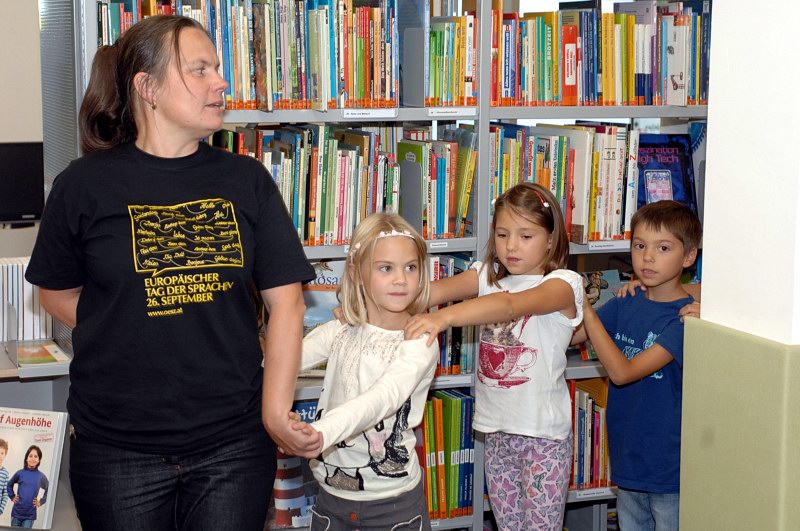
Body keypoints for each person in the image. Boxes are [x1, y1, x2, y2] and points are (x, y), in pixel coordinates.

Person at [24, 15, 318, 531]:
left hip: (233, 444)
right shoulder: (83, 185)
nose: (221, 82)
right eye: (200, 70)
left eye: (218, 69)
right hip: (117, 448)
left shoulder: (246, 180)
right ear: (148, 88)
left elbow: (287, 303)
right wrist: (127, 323)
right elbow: (56, 292)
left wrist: (275, 414)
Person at [404, 183, 584, 530]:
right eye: (502, 234)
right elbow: (427, 293)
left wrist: (444, 317)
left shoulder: (564, 284)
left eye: (525, 236)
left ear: (551, 240)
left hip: (543, 439)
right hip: (496, 433)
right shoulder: (486, 276)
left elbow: (510, 305)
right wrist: (364, 303)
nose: (511, 245)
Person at [292, 213, 439, 530]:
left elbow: (383, 398)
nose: (401, 279)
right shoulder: (340, 329)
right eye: (386, 268)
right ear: (357, 272)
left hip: (394, 505)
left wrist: (321, 433)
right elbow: (285, 362)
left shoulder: (419, 340)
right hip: (331, 498)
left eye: (410, 267)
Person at [571, 200, 702, 531]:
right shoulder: (627, 300)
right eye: (640, 246)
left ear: (689, 257)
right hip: (628, 459)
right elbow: (573, 337)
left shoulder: (686, 319)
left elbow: (622, 373)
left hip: (668, 467)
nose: (648, 257)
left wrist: (587, 308)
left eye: (663, 248)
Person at [6, 445, 49, 528]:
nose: (32, 458)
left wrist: (41, 501)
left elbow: (50, 490)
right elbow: (9, 484)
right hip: (16, 514)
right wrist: (12, 497)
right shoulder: (20, 473)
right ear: (26, 458)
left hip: (29, 516)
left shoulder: (40, 476)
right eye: (30, 456)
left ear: (39, 460)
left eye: (35, 456)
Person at [0, 439, 8, 516]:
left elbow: (5, 493)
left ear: (5, 455)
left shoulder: (5, 473)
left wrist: (1, 509)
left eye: (2, 453)